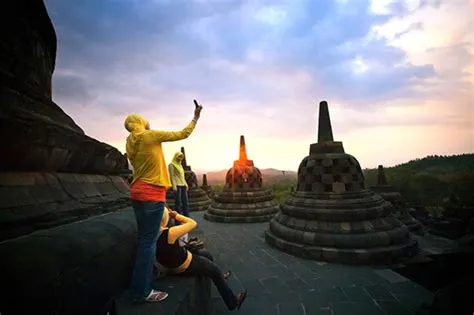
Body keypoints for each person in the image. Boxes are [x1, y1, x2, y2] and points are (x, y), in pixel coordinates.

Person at [124, 102, 203, 303]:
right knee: (148, 243)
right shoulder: (150, 136)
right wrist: (195, 117)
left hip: (137, 194)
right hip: (152, 195)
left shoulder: (130, 141)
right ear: (141, 122)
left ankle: (146, 276)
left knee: (144, 239)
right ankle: (141, 291)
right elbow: (182, 134)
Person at [156, 207, 247, 311]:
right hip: (185, 264)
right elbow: (192, 223)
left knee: (206, 254)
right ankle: (233, 302)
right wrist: (177, 215)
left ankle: (220, 277)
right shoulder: (170, 233)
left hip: (172, 263)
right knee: (214, 271)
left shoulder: (151, 233)